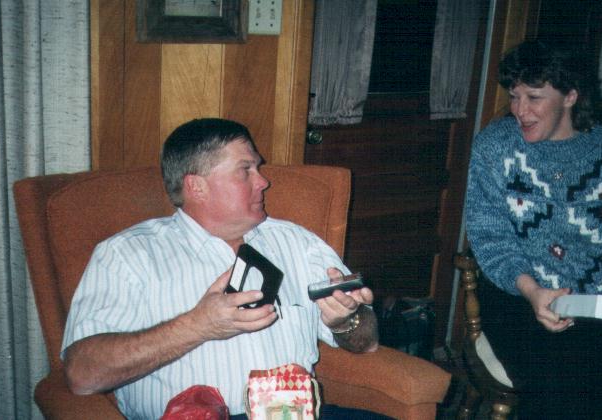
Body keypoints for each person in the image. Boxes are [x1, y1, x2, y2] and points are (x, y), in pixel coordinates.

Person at [61, 118, 384, 419]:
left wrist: (346, 320)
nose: (264, 181)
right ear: (197, 187)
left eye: (258, 168)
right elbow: (82, 374)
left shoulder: (298, 242)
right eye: (245, 170)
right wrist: (198, 326)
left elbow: (366, 341)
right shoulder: (128, 254)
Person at [465, 40, 602, 419]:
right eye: (514, 96)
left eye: (534, 97)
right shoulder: (495, 147)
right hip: (519, 296)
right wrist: (532, 291)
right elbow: (491, 238)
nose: (519, 110)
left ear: (571, 96)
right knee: (561, 387)